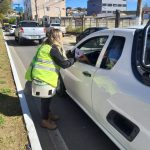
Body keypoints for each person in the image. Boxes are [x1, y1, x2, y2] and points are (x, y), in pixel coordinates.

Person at [25, 29, 76, 130]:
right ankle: (45, 121)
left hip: (42, 76)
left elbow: (59, 57)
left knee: (47, 99)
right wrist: (75, 59)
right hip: (43, 78)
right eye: (61, 36)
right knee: (45, 100)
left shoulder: (46, 46)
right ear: (56, 37)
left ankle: (48, 114)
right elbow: (64, 64)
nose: (62, 38)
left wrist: (69, 54)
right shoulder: (52, 49)